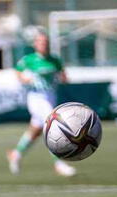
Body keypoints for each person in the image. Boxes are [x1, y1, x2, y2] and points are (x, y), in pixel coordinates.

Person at [7, 31, 76, 177]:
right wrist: (25, 79)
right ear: (35, 44)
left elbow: (63, 75)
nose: (43, 45)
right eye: (40, 42)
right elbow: (18, 72)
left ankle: (16, 154)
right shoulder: (29, 59)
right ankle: (58, 163)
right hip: (36, 98)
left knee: (36, 130)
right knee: (52, 126)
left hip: (50, 96)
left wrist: (63, 77)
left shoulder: (54, 60)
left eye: (46, 42)